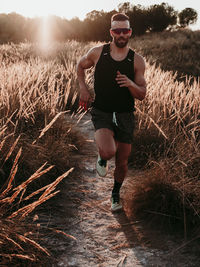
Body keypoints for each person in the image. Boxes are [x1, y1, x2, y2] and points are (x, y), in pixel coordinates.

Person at [76, 13, 147, 212]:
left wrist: (130, 83)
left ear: (130, 32)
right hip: (102, 111)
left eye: (125, 30)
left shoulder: (137, 60)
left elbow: (142, 94)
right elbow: (80, 66)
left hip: (125, 114)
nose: (121, 34)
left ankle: (115, 194)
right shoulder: (98, 53)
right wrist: (83, 88)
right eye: (117, 30)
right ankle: (102, 156)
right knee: (108, 151)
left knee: (123, 163)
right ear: (111, 32)